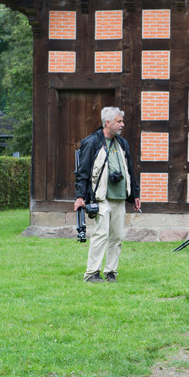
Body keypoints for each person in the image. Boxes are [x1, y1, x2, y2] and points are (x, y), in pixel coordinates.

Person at [74, 106, 141, 283]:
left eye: (122, 121)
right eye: (119, 121)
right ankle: (91, 274)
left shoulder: (122, 143)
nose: (122, 125)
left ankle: (111, 272)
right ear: (108, 122)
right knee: (101, 235)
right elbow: (83, 171)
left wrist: (135, 194)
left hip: (119, 198)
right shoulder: (93, 142)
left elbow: (130, 170)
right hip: (101, 197)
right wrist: (80, 196)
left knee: (117, 237)